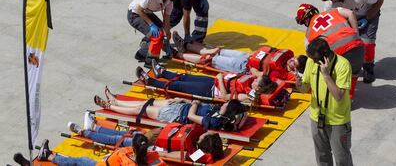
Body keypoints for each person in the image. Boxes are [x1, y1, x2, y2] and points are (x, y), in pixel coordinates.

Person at [67, 113, 224, 164]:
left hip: (151, 151)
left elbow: (166, 156)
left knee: (120, 139)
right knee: (130, 135)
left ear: (206, 142)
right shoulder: (197, 145)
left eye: (207, 134)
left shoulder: (194, 154)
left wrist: (148, 150)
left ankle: (85, 132)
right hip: (154, 146)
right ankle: (94, 128)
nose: (206, 132)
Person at [296, 38, 353, 166]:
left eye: (316, 59)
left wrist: (326, 75)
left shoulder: (343, 65)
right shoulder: (312, 61)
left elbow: (338, 95)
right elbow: (305, 88)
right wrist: (299, 85)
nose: (314, 62)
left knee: (342, 158)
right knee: (322, 156)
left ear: (326, 55)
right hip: (317, 118)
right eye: (312, 59)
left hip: (337, 121)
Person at [318, 0, 384, 83]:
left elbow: (380, 1)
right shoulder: (329, 4)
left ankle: (368, 68)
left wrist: (367, 18)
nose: (329, 0)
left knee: (367, 44)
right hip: (347, 17)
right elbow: (332, 21)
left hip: (369, 13)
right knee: (347, 44)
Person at [173, 31, 308, 81]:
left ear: (295, 69)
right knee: (216, 50)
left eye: (293, 63)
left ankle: (179, 54)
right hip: (247, 57)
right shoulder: (285, 56)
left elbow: (264, 76)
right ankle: (186, 45)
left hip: (243, 66)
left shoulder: (282, 73)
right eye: (294, 58)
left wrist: (255, 72)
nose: (291, 59)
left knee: (210, 60)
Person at [296, 3, 364, 99]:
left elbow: (310, 53)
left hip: (340, 55)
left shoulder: (309, 32)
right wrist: (356, 33)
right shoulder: (334, 11)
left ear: (306, 20)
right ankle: (349, 96)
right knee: (354, 73)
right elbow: (351, 13)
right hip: (358, 46)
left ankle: (343, 100)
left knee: (334, 76)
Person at [94, 91, 248, 132]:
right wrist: (184, 100)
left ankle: (110, 107)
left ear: (228, 112)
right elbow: (198, 104)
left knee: (141, 109)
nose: (223, 104)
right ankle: (116, 100)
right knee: (147, 102)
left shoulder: (215, 121)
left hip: (177, 115)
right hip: (180, 106)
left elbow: (191, 116)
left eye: (226, 105)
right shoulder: (218, 112)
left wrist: (193, 103)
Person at [137, 60, 279, 104]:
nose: (254, 79)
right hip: (214, 81)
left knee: (178, 86)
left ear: (259, 87)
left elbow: (225, 97)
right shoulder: (252, 83)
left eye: (257, 81)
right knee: (185, 77)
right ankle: (163, 73)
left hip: (211, 90)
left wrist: (220, 80)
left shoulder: (247, 95)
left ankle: (149, 81)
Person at [127, 0, 182, 67]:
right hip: (135, 14)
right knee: (156, 35)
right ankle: (151, 62)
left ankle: (141, 54)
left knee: (163, 33)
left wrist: (167, 31)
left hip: (146, 12)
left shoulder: (170, 0)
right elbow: (138, 9)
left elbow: (167, 17)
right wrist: (151, 24)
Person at [37, 134, 165, 166]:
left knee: (79, 161)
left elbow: (108, 160)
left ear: (133, 147)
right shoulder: (153, 158)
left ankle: (47, 156)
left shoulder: (124, 155)